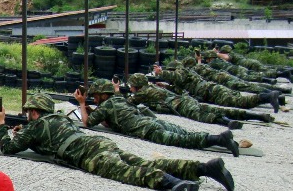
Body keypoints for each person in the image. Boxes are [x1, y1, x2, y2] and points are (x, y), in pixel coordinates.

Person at [0, 92, 235, 191]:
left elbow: (9, 148)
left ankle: (173, 183)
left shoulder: (35, 126)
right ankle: (204, 168)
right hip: (98, 143)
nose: (26, 116)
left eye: (28, 113)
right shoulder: (55, 119)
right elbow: (42, 134)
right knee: (146, 161)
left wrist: (1, 124)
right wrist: (22, 129)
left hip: (88, 154)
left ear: (34, 112)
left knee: (127, 172)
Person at [75, 78, 239, 157]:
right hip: (152, 121)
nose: (95, 99)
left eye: (96, 96)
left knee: (183, 141)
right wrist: (90, 108)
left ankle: (219, 140)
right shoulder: (118, 99)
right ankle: (223, 140)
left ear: (103, 95)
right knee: (185, 133)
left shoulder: (106, 105)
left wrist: (82, 104)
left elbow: (87, 123)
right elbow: (109, 122)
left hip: (147, 129)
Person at [124, 72, 273, 128]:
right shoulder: (151, 88)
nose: (130, 88)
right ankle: (257, 116)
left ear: (137, 86)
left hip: (180, 105)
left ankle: (227, 122)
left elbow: (128, 103)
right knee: (218, 109)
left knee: (203, 116)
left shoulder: (143, 92)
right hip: (185, 100)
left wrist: (118, 91)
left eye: (131, 86)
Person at [156, 61, 280, 113]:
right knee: (239, 98)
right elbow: (179, 88)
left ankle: (268, 97)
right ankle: (269, 97)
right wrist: (165, 86)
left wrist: (161, 73)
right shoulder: (185, 76)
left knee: (241, 103)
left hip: (211, 92)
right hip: (212, 89)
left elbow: (178, 77)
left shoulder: (182, 72)